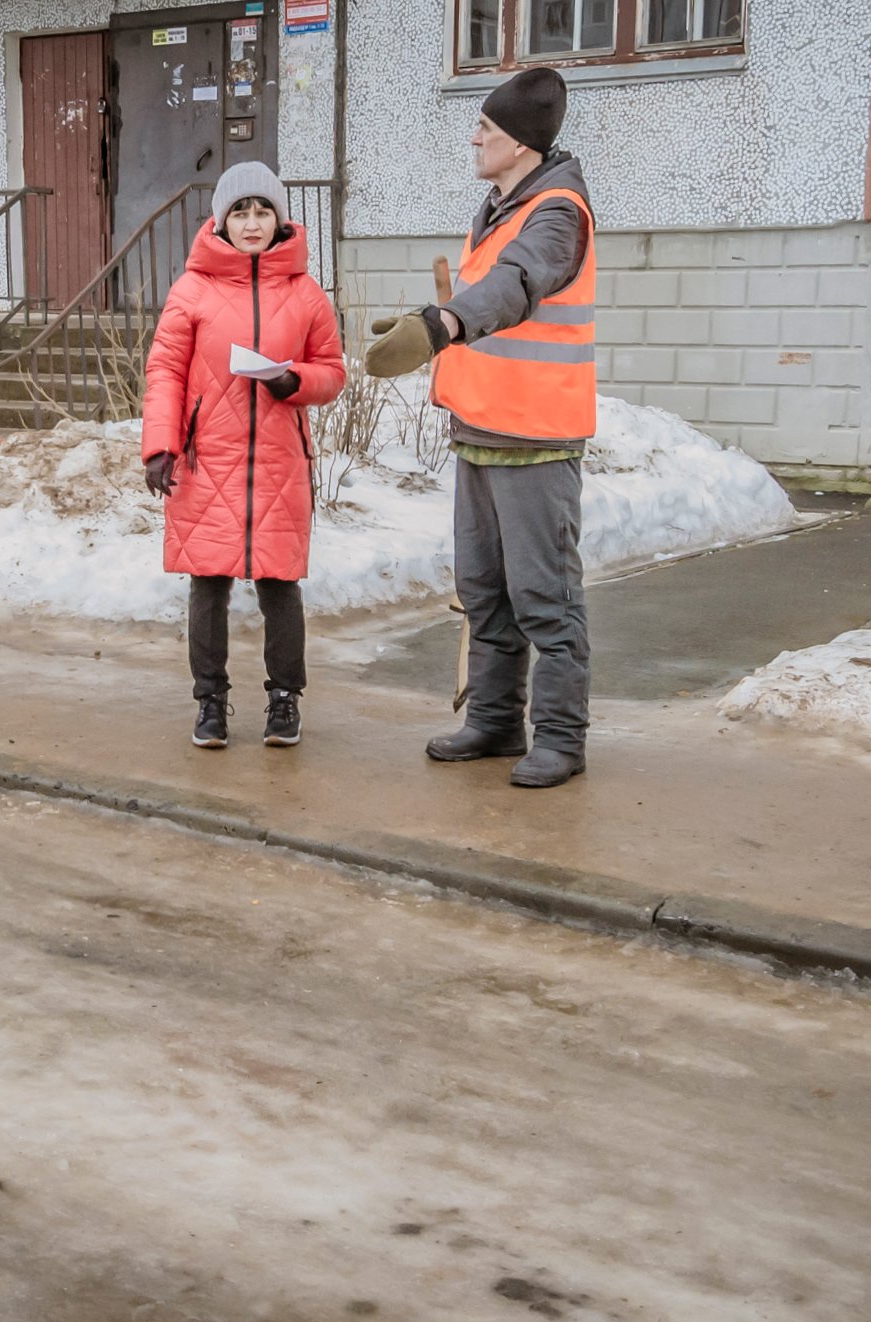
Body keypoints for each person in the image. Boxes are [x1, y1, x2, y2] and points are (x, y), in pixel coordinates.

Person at [365, 68, 595, 789]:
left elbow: (518, 284)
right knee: (485, 591)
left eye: (487, 129)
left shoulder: (556, 213)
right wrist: (431, 316)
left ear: (521, 143)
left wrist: (445, 322)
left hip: (536, 434)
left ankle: (559, 737)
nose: (475, 137)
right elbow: (484, 295)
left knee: (544, 597)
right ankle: (495, 721)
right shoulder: (500, 205)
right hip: (482, 428)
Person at [142, 161, 346, 749]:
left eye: (263, 211)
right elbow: (165, 372)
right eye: (240, 211)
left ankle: (285, 700)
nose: (252, 223)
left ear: (279, 219)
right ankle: (210, 701)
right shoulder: (192, 291)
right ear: (221, 220)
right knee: (208, 582)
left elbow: (333, 372)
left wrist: (296, 382)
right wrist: (161, 445)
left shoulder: (306, 292)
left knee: (280, 585)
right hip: (209, 458)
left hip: (280, 462)